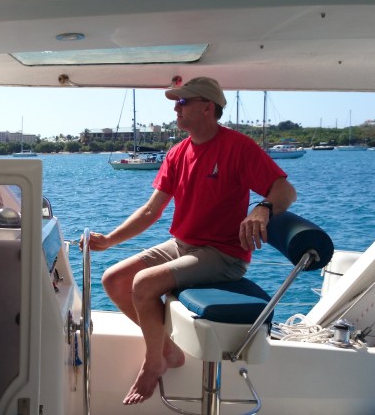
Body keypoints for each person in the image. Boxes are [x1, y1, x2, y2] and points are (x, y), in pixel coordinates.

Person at [85, 77, 297, 405]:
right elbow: (151, 211)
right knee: (114, 279)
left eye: (183, 102)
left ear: (207, 108)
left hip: (223, 254)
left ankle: (153, 362)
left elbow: (285, 190)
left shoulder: (238, 147)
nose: (176, 108)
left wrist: (263, 208)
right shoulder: (177, 153)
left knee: (143, 283)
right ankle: (169, 351)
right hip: (182, 245)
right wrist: (110, 240)